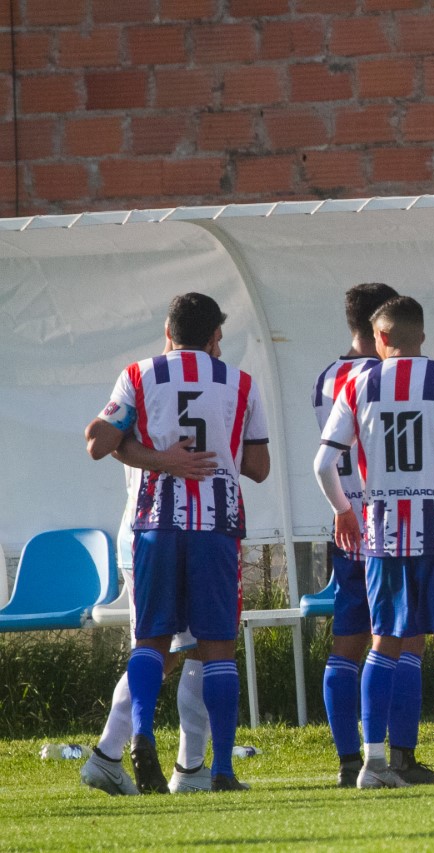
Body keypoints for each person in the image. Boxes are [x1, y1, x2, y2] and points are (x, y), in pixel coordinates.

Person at [85, 292, 270, 792]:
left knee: (151, 641)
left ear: (168, 333)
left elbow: (97, 441)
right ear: (214, 339)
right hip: (215, 527)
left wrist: (160, 459)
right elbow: (257, 467)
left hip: (153, 524)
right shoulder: (240, 382)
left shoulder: (139, 374)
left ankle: (142, 736)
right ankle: (220, 770)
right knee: (216, 648)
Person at [314, 295, 434, 789]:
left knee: (383, 644)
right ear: (421, 335)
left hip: (383, 534)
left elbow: (323, 464)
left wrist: (343, 513)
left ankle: (372, 766)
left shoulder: (357, 383)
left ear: (382, 338)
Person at [313, 283, 434, 788]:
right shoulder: (387, 377)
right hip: (393, 522)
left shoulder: (327, 377)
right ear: (383, 327)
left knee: (348, 642)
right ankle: (400, 757)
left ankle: (350, 759)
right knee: (406, 639)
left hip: (345, 521)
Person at [81, 444, 218, 796]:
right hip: (172, 527)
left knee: (164, 654)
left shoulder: (139, 391)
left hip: (150, 528)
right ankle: (187, 767)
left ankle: (111, 753)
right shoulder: (142, 389)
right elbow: (99, 439)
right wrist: (165, 459)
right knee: (204, 643)